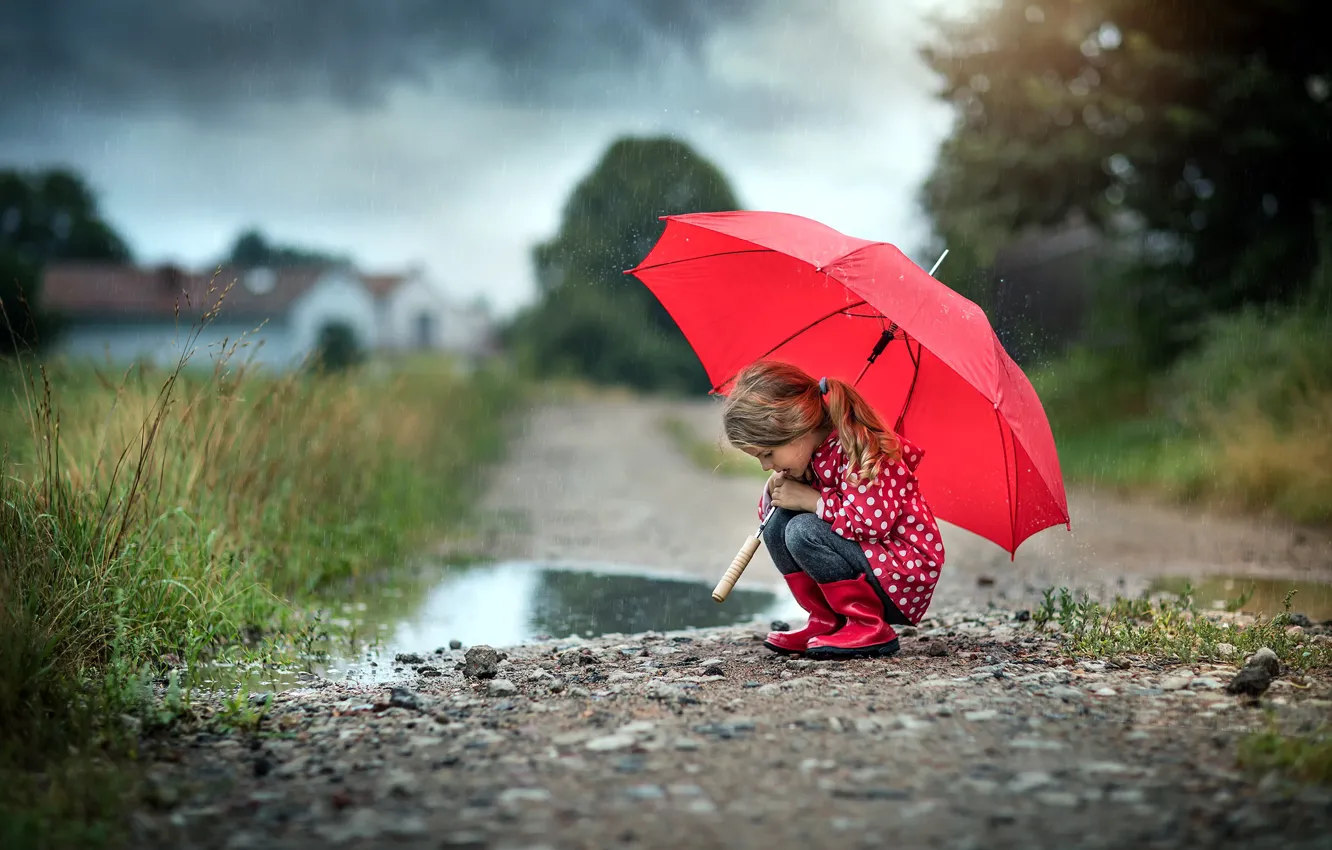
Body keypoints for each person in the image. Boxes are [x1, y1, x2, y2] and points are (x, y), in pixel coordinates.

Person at [721, 360, 945, 659]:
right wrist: (775, 491)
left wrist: (812, 501)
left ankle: (867, 624)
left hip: (901, 574)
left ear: (796, 428)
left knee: (803, 530)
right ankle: (826, 620)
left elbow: (870, 524)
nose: (765, 466)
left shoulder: (863, 447)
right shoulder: (811, 455)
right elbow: (775, 518)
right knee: (780, 524)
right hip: (868, 561)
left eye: (768, 454)